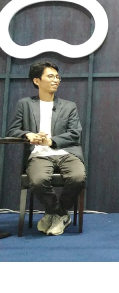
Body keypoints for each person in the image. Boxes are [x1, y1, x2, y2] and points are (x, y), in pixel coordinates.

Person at [7, 61, 86, 236]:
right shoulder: (25, 104)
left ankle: (54, 214)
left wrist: (51, 141)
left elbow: (75, 134)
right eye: (50, 76)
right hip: (38, 154)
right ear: (37, 81)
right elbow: (13, 130)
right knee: (38, 181)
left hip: (67, 152)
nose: (56, 80)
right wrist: (28, 134)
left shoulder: (69, 106)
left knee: (78, 177)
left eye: (57, 77)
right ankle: (60, 214)